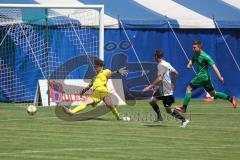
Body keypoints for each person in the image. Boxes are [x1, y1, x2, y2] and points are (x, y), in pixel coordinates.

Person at [176, 40, 237, 113]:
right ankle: (231, 98)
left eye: (194, 48)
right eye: (193, 47)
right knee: (213, 94)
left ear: (199, 47)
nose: (193, 49)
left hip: (202, 77)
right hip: (206, 79)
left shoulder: (206, 56)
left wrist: (220, 77)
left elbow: (214, 67)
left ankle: (184, 108)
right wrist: (190, 64)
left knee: (189, 88)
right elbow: (193, 59)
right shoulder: (196, 54)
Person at [63, 59, 128, 120]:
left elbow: (111, 73)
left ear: (101, 67)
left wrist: (118, 71)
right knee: (86, 102)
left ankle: (118, 117)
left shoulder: (105, 72)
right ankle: (71, 112)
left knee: (109, 104)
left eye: (96, 66)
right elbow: (88, 86)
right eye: (95, 66)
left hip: (103, 91)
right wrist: (83, 91)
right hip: (95, 93)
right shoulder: (94, 78)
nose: (95, 68)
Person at [143, 49, 190, 127]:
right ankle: (159, 117)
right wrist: (173, 83)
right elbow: (176, 73)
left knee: (168, 110)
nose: (154, 58)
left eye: (154, 57)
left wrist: (149, 87)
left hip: (166, 90)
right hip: (162, 89)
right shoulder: (166, 63)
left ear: (156, 57)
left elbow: (159, 78)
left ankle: (184, 120)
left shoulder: (161, 65)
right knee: (151, 101)